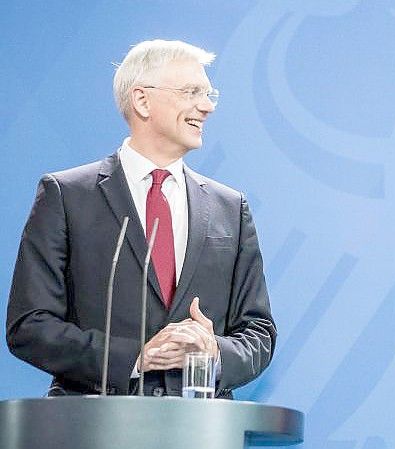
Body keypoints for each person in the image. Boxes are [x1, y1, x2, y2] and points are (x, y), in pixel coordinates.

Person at [6, 40, 276, 397]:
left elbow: (258, 332)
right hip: (94, 425)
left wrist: (214, 352)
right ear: (142, 100)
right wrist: (136, 357)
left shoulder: (230, 207)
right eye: (192, 91)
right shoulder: (67, 195)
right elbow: (29, 325)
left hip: (197, 426)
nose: (207, 106)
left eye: (209, 93)